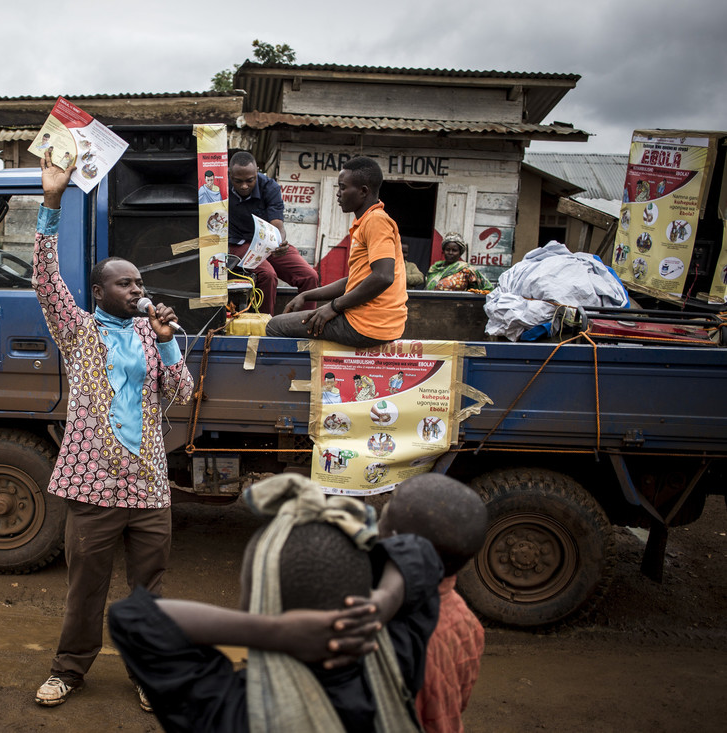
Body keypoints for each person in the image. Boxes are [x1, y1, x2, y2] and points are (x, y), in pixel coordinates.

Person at [32, 148, 194, 710]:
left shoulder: (155, 335)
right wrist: (51, 202)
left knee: (148, 591)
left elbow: (181, 393)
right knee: (85, 589)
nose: (135, 289)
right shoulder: (77, 331)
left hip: (149, 485)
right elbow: (44, 279)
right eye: (124, 284)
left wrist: (171, 337)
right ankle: (69, 669)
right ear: (99, 293)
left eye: (139, 282)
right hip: (92, 485)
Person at [109, 473, 442, 732]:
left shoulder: (239, 710)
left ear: (261, 605)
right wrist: (383, 601)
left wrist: (274, 632)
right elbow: (421, 550)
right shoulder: (397, 656)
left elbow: (131, 617)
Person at [379, 474, 488, 733]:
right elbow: (460, 699)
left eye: (382, 518)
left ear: (399, 545)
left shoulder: (390, 631)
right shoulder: (469, 622)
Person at [266, 156, 407, 348]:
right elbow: (353, 281)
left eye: (343, 187)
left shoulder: (376, 221)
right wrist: (307, 295)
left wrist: (333, 307)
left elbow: (383, 276)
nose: (338, 194)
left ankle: (300, 378)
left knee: (275, 326)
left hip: (367, 325)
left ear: (363, 191)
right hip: (375, 323)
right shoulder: (366, 221)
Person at [228, 151, 319, 314]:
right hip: (237, 242)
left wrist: (280, 242)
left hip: (266, 242)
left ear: (257, 172)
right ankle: (264, 328)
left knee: (310, 276)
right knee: (267, 275)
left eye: (250, 180)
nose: (244, 186)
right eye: (238, 181)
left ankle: (304, 325)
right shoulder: (219, 188)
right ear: (229, 175)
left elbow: (277, 224)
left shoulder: (270, 187)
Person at [424, 234, 492, 292]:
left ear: (460, 253)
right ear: (443, 251)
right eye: (447, 250)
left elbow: (487, 289)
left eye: (454, 250)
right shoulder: (434, 269)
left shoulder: (467, 269)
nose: (450, 253)